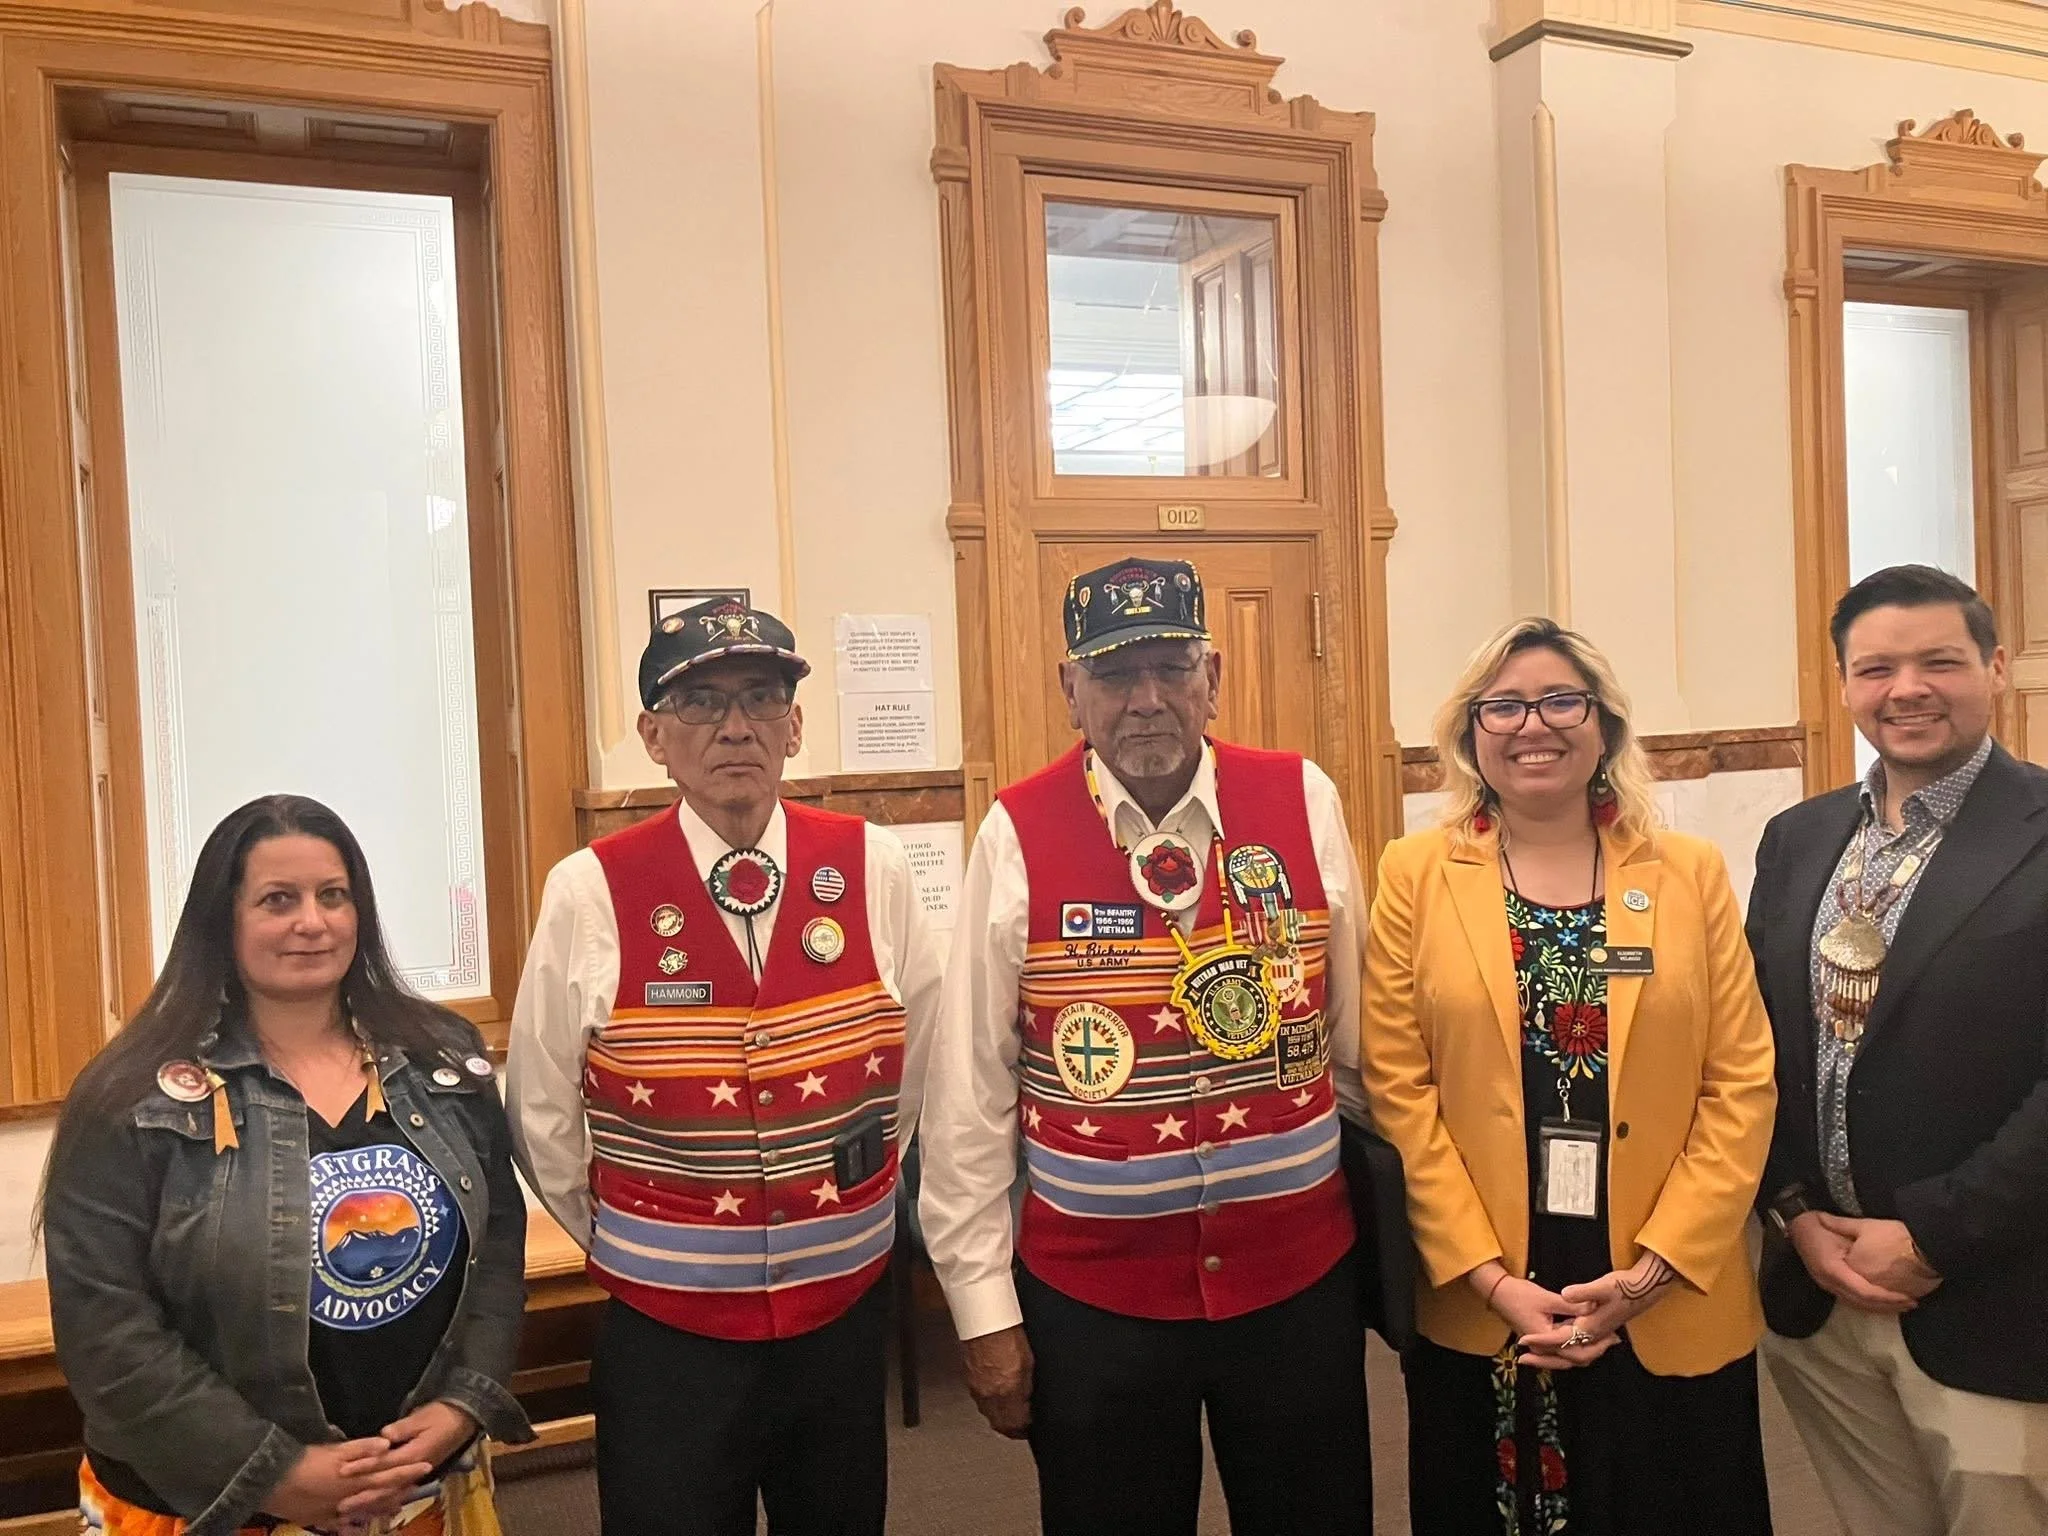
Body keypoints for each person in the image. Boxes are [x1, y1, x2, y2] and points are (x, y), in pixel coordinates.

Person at [919, 555, 1374, 1535]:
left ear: (1214, 676)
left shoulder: (1303, 800)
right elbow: (968, 1100)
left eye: (1171, 667)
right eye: (1116, 674)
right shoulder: (1015, 832)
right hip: (1094, 1305)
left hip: (1294, 1286)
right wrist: (981, 1309)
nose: (1147, 699)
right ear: (1068, 690)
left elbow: (1362, 1044)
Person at [506, 596, 942, 1536]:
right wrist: (648, 1240)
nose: (735, 727)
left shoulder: (875, 865)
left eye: (760, 697)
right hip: (668, 1332)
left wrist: (840, 1214)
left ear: (794, 724)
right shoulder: (589, 889)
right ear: (653, 736)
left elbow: (916, 1068)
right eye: (701, 703)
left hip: (837, 1316)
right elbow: (540, 1104)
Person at [1361, 617, 1777, 1535]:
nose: (1531, 725)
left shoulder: (1688, 872)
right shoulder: (1416, 873)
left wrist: (1648, 1276)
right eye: (1502, 706)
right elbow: (1400, 1091)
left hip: (1659, 1279)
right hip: (1489, 1286)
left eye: (1560, 700)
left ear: (1604, 726)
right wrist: (1489, 1279)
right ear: (1471, 730)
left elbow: (1741, 1083)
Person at [40, 794, 531, 1536]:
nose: (312, 922)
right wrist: (273, 1474)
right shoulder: (130, 1097)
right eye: (279, 900)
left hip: (414, 1490)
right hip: (203, 1504)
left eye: (333, 896)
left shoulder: (439, 1057)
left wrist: (466, 1402)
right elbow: (106, 1333)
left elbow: (495, 1250)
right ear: (222, 920)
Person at [1748, 564, 2048, 1534]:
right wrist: (1791, 1209)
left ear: (1994, 667)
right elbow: (1758, 1046)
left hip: (1990, 1291)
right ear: (1841, 684)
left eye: (1937, 662)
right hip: (1819, 1288)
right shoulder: (1794, 839)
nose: (1904, 689)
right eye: (1874, 668)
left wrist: (1931, 1235)